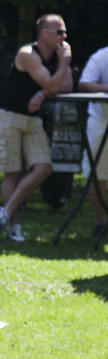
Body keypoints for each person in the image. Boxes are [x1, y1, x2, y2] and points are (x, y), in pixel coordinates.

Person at [0, 14, 74, 242]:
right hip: (7, 114)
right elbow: (53, 84)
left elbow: (66, 86)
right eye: (60, 32)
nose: (64, 37)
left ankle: (4, 213)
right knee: (13, 171)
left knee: (44, 168)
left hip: (32, 117)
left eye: (65, 32)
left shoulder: (58, 56)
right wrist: (64, 62)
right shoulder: (27, 54)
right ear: (44, 34)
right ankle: (14, 227)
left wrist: (41, 93)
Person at [77, 44, 108, 238]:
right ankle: (101, 225)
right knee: (96, 174)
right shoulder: (102, 56)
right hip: (100, 120)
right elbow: (84, 84)